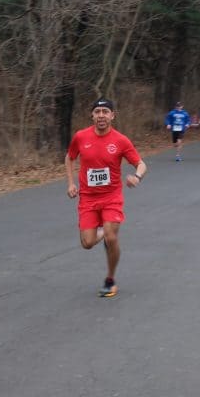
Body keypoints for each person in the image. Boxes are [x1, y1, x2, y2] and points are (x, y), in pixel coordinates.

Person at [65, 98, 148, 298]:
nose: (101, 115)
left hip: (112, 196)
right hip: (88, 198)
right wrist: (70, 183)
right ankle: (100, 230)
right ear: (92, 116)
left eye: (105, 111)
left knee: (112, 237)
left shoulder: (120, 140)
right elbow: (69, 157)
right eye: (97, 111)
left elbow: (141, 164)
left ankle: (110, 279)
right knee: (87, 243)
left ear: (112, 116)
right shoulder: (80, 137)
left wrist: (136, 177)